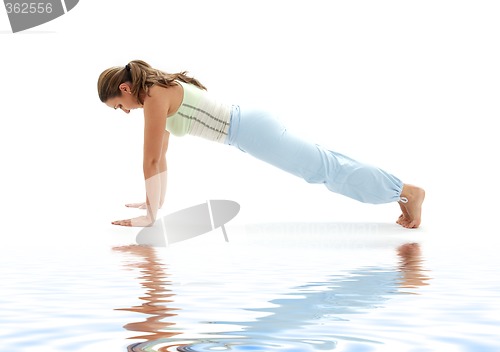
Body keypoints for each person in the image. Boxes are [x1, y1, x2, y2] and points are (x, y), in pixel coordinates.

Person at [97, 60, 425, 229]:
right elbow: (162, 157)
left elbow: (150, 160)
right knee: (325, 167)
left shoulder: (154, 95)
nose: (124, 112)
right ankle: (400, 192)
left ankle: (405, 191)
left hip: (251, 132)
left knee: (324, 171)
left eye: (119, 106)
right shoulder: (158, 90)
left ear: (126, 89)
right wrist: (154, 204)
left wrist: (151, 215)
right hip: (250, 128)